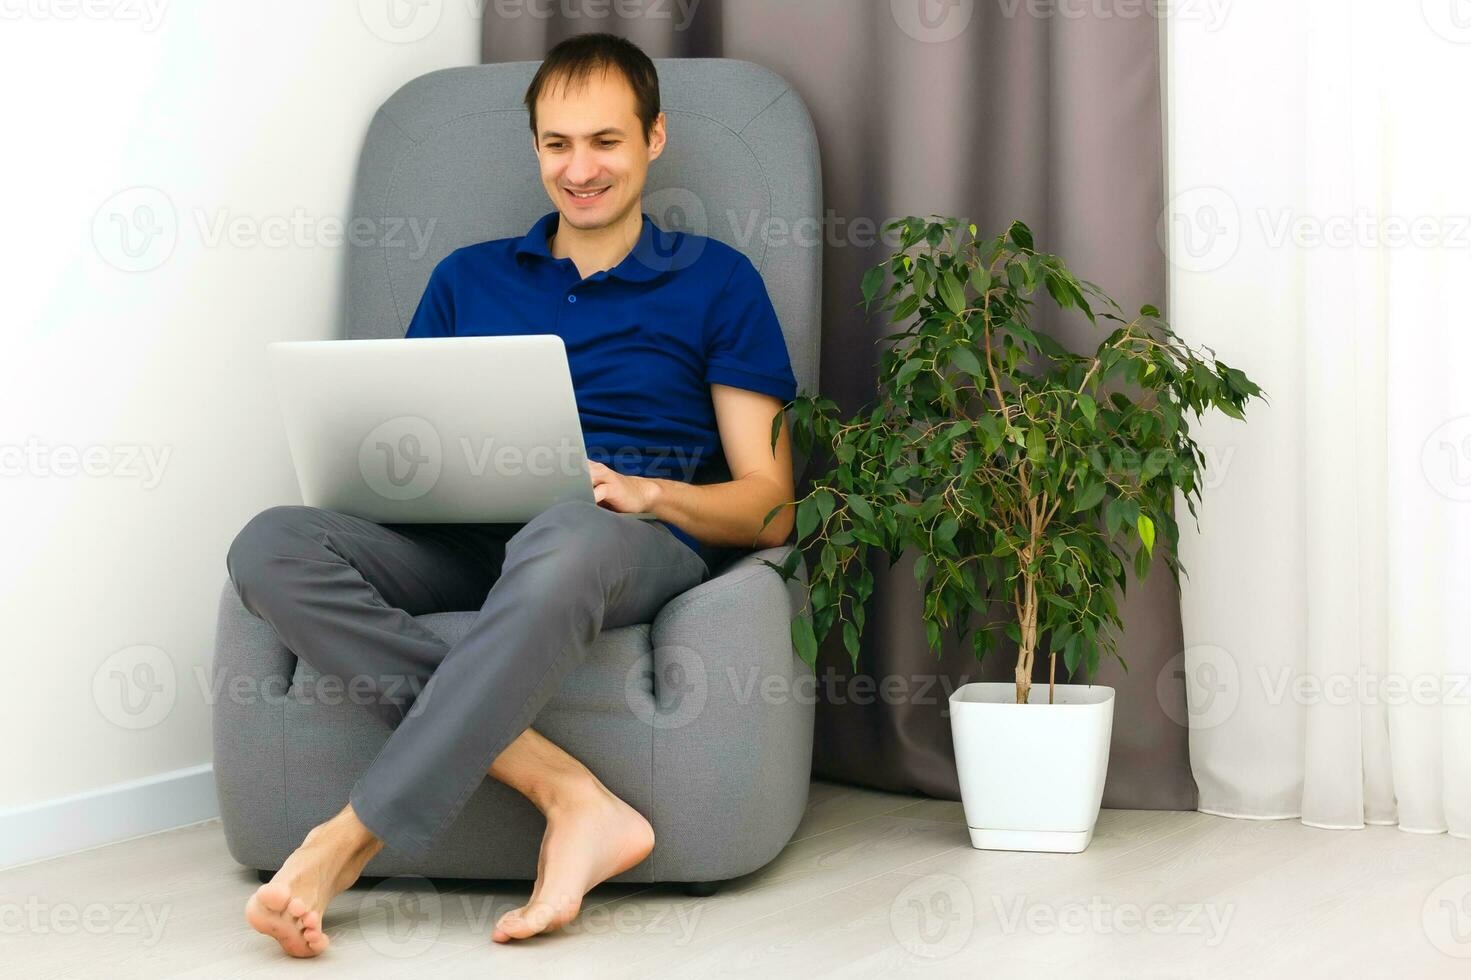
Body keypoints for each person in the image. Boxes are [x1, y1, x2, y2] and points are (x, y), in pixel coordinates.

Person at [225, 32, 800, 956]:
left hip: (615, 539)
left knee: (566, 532)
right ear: (534, 148)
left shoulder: (717, 282)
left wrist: (650, 494)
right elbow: (400, 444)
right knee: (270, 544)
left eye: (605, 141)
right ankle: (568, 793)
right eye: (557, 144)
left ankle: (341, 843)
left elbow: (772, 505)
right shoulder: (465, 276)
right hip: (463, 536)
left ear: (654, 138)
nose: (580, 169)